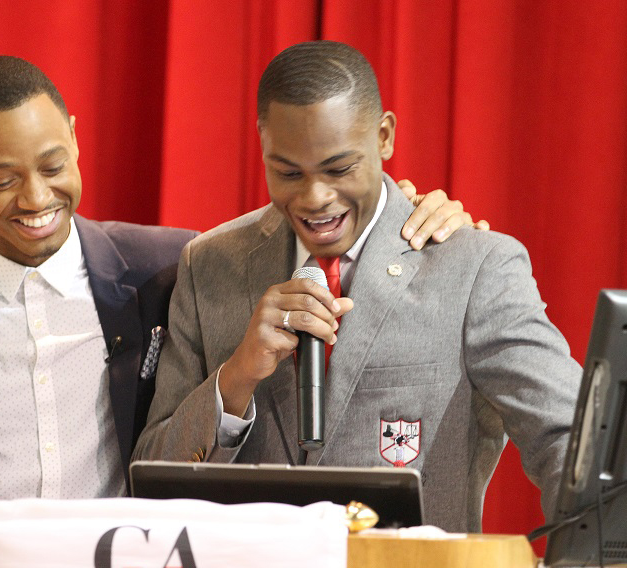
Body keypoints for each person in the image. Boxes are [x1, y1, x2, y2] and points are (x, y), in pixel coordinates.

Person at [0, 55, 481, 518]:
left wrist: (420, 213)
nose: (36, 197)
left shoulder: (168, 265)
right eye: (2, 180)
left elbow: (334, 226)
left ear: (77, 143)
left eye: (53, 166)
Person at [133, 41, 581, 534]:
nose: (315, 198)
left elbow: (566, 432)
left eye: (339, 168)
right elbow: (151, 479)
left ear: (384, 136)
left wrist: (593, 554)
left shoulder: (474, 267)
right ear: (261, 145)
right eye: (287, 172)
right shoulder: (209, 265)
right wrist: (237, 377)